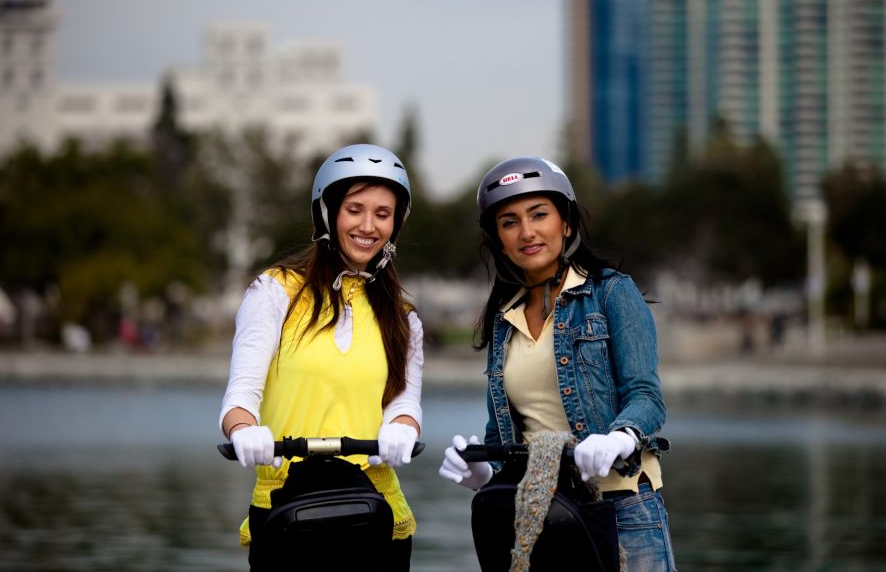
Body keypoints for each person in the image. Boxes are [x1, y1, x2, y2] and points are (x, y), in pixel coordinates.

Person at [438, 156, 675, 570]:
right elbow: (504, 431)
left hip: (622, 506)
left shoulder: (612, 293)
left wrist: (618, 438)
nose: (526, 232)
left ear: (566, 223)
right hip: (537, 510)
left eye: (539, 215)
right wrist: (479, 469)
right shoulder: (502, 318)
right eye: (509, 221)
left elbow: (647, 398)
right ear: (497, 238)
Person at [220, 143, 424, 571]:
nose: (368, 225)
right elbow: (241, 396)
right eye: (355, 209)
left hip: (376, 509)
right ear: (328, 213)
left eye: (382, 214)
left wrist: (402, 428)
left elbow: (403, 401)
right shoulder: (275, 291)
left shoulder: (403, 316)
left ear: (396, 223)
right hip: (286, 502)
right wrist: (244, 430)